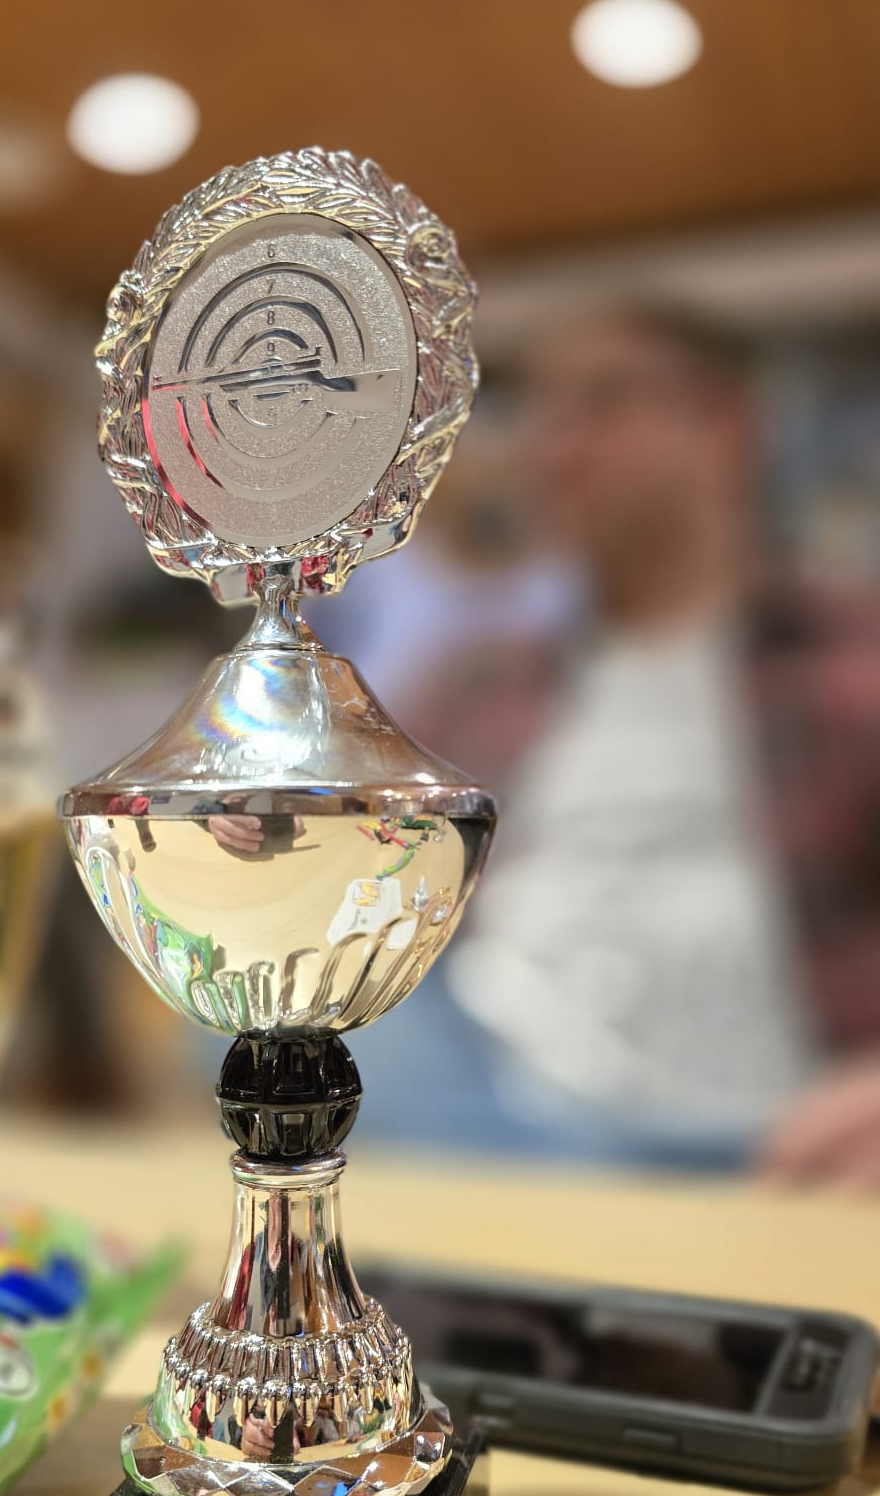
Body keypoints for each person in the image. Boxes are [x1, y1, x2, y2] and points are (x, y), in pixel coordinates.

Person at [358, 301, 880, 1182]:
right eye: (543, 414)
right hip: (495, 1103)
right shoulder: (480, 680)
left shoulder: (852, 655)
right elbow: (354, 886)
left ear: (726, 425)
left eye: (604, 402)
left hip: (772, 1138)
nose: (557, 447)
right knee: (243, 1009)